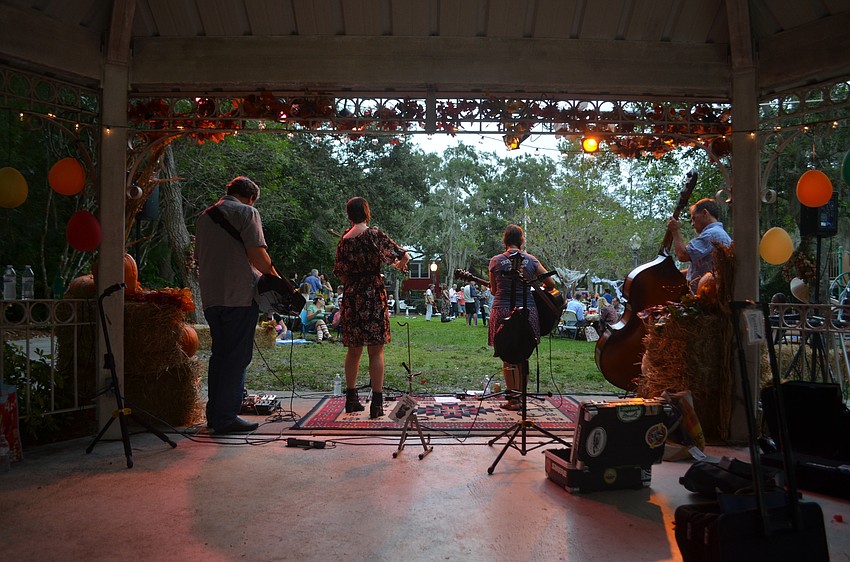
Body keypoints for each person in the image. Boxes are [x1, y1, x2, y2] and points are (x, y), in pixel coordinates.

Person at [196, 176, 277, 434]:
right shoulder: (247, 213)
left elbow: (199, 256)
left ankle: (215, 413)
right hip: (238, 295)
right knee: (237, 357)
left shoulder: (204, 217)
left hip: (211, 296)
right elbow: (257, 255)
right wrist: (276, 277)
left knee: (220, 355)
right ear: (251, 197)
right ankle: (226, 417)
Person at [333, 197, 410, 418]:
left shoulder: (344, 240)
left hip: (352, 296)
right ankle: (376, 404)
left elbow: (341, 272)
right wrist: (399, 264)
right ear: (367, 212)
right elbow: (403, 255)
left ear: (349, 215)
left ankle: (351, 400)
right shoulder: (374, 234)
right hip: (373, 294)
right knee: (376, 350)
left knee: (353, 350)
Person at [488, 224, 556, 411]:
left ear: (505, 240)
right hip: (527, 310)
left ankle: (513, 399)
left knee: (507, 355)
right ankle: (523, 397)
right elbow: (550, 284)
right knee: (523, 354)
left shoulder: (495, 261)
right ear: (522, 240)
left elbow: (494, 290)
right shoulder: (532, 260)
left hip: (502, 309)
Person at [668, 198, 732, 293]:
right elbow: (701, 269)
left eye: (694, 218)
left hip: (705, 298)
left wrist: (675, 231)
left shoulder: (712, 234)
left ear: (705, 213)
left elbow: (683, 255)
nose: (692, 224)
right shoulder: (717, 233)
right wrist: (674, 276)